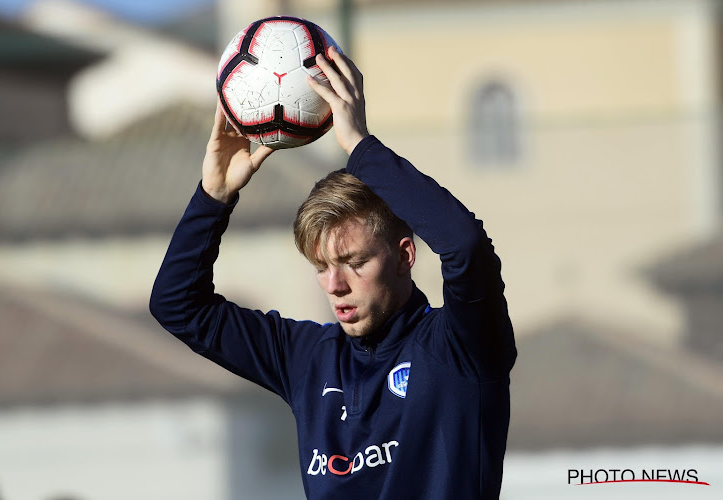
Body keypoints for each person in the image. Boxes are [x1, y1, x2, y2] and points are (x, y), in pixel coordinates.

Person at [150, 47, 516, 499]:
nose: (334, 285)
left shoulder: (461, 345)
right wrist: (213, 196)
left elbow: (465, 245)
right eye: (321, 267)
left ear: (405, 256)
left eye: (355, 263)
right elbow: (177, 305)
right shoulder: (308, 358)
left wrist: (360, 147)